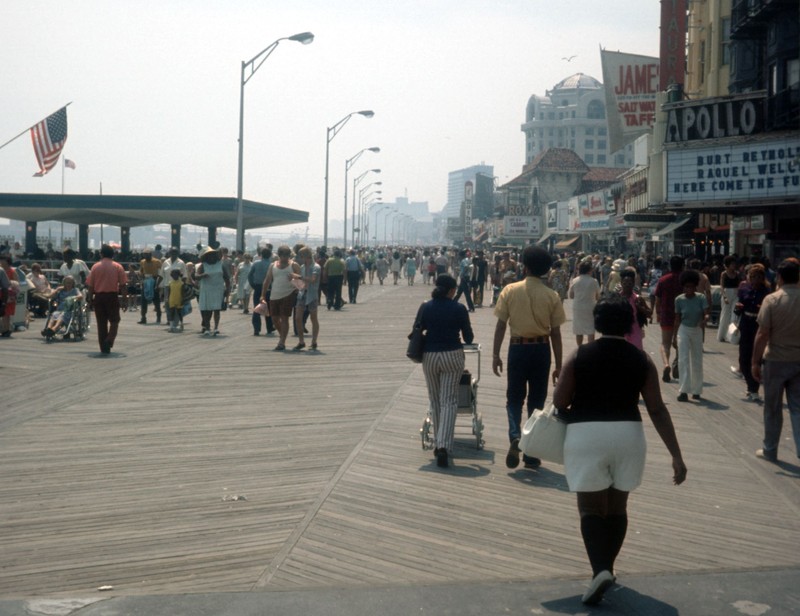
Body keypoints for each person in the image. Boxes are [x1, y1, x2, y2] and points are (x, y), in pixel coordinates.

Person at [553, 294, 687, 605]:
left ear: (596, 323)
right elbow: (656, 409)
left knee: (590, 509)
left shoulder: (580, 355)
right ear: (630, 323)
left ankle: (600, 569)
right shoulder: (642, 359)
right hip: (628, 434)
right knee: (617, 509)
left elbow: (559, 402)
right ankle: (607, 568)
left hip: (586, 434)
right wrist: (676, 456)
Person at [492, 246, 565, 469]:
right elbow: (556, 333)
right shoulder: (551, 295)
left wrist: (495, 354)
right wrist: (559, 365)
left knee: (514, 398)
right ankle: (531, 453)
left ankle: (515, 435)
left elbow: (501, 325)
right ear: (545, 270)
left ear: (524, 266)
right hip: (541, 350)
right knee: (536, 402)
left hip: (517, 349)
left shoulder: (510, 290)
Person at [417, 274, 474, 467]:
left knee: (435, 399)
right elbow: (468, 337)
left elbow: (417, 329)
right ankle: (443, 445)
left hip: (430, 355)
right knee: (449, 400)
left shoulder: (425, 306)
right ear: (451, 291)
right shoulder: (459, 308)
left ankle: (438, 440)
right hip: (452, 355)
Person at [751, 258, 800, 463]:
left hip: (775, 360)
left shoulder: (772, 300)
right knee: (798, 408)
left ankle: (770, 450)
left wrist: (755, 361)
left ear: (778, 277)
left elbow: (762, 333)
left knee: (772, 407)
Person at [735, 264, 771, 402]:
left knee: (756, 357)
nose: (755, 279)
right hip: (745, 324)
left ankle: (753, 388)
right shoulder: (744, 289)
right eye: (752, 276)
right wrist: (738, 308)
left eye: (758, 277)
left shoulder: (766, 292)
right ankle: (751, 386)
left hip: (759, 325)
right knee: (743, 359)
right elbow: (738, 307)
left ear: (762, 278)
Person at [673, 269, 709, 402]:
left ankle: (696, 390)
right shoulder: (679, 300)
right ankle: (683, 390)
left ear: (695, 286)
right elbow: (677, 319)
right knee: (683, 359)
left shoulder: (701, 298)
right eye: (686, 286)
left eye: (691, 286)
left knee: (697, 360)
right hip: (683, 330)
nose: (689, 289)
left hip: (697, 330)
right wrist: (674, 337)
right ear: (683, 286)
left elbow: (706, 312)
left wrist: (706, 318)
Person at [85, 244, 128, 354]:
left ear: (101, 254)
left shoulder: (95, 267)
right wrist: (124, 299)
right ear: (113, 254)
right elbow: (123, 285)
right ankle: (109, 340)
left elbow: (90, 286)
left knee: (101, 323)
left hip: (99, 297)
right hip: (112, 296)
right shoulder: (118, 266)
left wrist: (90, 299)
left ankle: (104, 348)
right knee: (115, 320)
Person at [261, 245, 300, 351]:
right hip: (274, 294)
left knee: (284, 317)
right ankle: (282, 335)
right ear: (279, 255)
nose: (285, 258)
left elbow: (300, 282)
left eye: (287, 255)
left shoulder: (294, 265)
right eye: (283, 255)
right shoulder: (272, 265)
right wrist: (263, 295)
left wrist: (295, 277)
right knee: (274, 318)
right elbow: (267, 280)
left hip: (288, 294)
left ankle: (282, 341)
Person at [653, 256, 685, 382]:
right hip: (682, 315)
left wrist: (658, 313)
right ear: (682, 265)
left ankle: (666, 364)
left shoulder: (663, 279)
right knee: (680, 342)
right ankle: (677, 364)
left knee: (665, 343)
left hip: (666, 314)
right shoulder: (684, 280)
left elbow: (658, 299)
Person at [195, 246, 230, 337]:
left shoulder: (220, 265)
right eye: (209, 255)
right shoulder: (203, 265)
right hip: (206, 290)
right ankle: (207, 328)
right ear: (206, 257)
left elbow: (227, 279)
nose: (211, 257)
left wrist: (227, 290)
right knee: (207, 310)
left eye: (213, 255)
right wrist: (202, 275)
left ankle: (216, 328)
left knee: (216, 309)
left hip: (218, 290)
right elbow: (196, 276)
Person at [293, 247, 321, 351]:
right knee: (298, 318)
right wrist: (294, 281)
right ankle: (301, 341)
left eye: (301, 256)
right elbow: (302, 283)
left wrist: (299, 277)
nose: (299, 258)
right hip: (302, 294)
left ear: (305, 256)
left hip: (312, 295)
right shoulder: (302, 267)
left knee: (313, 319)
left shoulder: (316, 267)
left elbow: (313, 280)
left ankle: (314, 341)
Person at [568, 259, 600, 346]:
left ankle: (580, 348)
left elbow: (571, 295)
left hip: (578, 307)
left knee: (579, 329)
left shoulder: (575, 280)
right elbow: (598, 296)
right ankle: (590, 348)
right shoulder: (594, 281)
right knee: (590, 329)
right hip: (590, 306)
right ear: (589, 270)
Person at [620, 267, 651, 351]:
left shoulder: (638, 299)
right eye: (625, 283)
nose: (627, 285)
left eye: (629, 283)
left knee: (636, 354)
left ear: (633, 283)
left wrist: (641, 308)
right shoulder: (616, 298)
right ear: (621, 283)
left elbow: (649, 313)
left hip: (635, 331)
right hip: (620, 332)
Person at [248, 247, 275, 336]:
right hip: (269, 288)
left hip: (258, 287)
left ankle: (256, 329)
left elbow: (250, 275)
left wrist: (253, 285)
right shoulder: (272, 265)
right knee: (269, 308)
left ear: (261, 255)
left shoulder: (256, 263)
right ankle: (269, 327)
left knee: (257, 308)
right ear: (270, 255)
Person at [717, 255, 741, 342]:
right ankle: (722, 335)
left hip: (735, 294)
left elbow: (739, 285)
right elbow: (722, 286)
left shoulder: (737, 274)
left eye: (734, 263)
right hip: (727, 293)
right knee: (725, 315)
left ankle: (732, 337)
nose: (734, 265)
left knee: (734, 316)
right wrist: (724, 297)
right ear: (728, 264)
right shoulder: (724, 274)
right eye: (732, 264)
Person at [138, 248, 162, 325]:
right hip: (146, 281)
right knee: (143, 300)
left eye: (147, 254)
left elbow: (160, 273)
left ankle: (158, 317)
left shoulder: (157, 262)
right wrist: (140, 276)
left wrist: (158, 284)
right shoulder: (142, 262)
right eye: (144, 255)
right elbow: (141, 270)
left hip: (154, 281)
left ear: (150, 254)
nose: (146, 256)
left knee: (156, 300)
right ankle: (143, 317)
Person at [165, 268, 190, 332]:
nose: (174, 276)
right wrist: (167, 298)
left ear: (178, 275)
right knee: (171, 312)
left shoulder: (181, 283)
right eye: (173, 275)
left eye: (176, 275)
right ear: (171, 275)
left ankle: (181, 324)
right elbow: (169, 291)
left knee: (179, 312)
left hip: (179, 299)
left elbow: (183, 293)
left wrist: (183, 300)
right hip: (172, 299)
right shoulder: (170, 283)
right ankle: (171, 326)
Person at [0, 254, 19, 337]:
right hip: (2, 293)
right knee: (3, 313)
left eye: (2, 260)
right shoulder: (2, 270)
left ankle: (6, 329)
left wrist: (10, 283)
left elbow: (16, 282)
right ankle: (4, 329)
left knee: (6, 313)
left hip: (9, 294)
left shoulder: (12, 271)